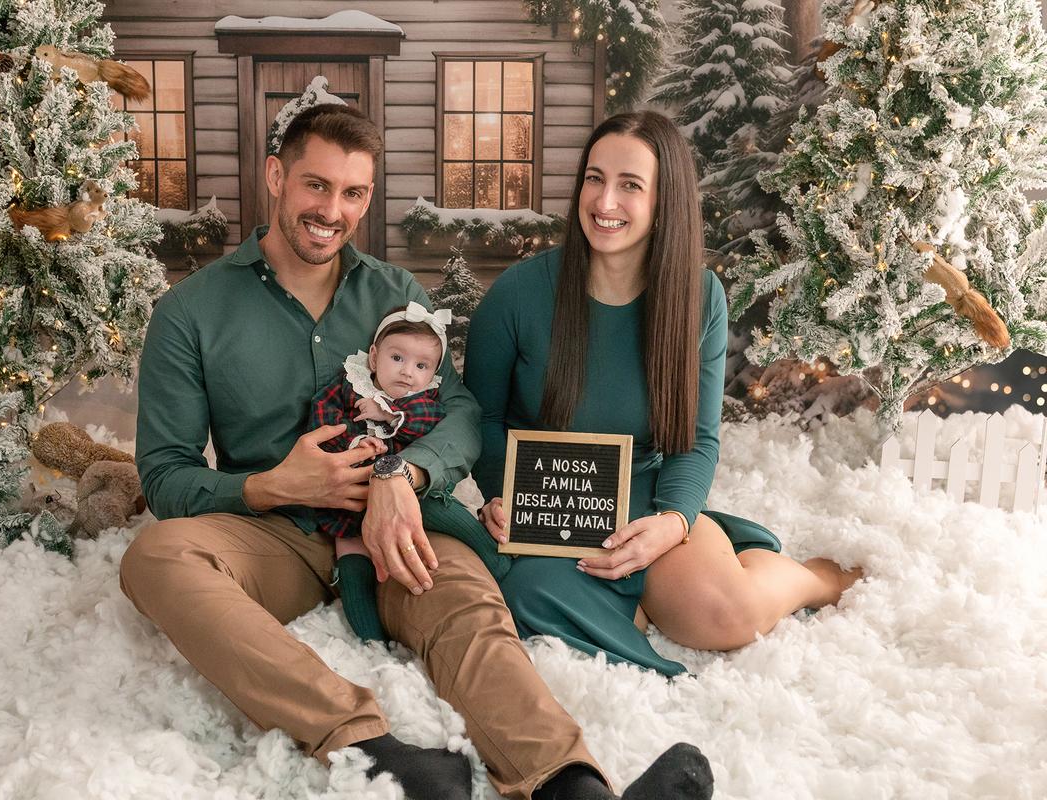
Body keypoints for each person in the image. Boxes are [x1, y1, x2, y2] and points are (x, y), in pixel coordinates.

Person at [122, 104, 714, 800]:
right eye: (316, 185)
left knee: (469, 612)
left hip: (401, 525)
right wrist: (271, 487)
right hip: (273, 533)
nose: (331, 210)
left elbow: (462, 412)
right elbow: (165, 476)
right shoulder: (190, 312)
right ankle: (374, 751)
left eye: (353, 193)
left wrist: (405, 473)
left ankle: (571, 786)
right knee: (154, 559)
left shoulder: (395, 293)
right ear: (276, 177)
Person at [465, 110, 863, 676]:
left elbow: (696, 440)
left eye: (630, 185)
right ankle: (644, 607)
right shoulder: (518, 295)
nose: (604, 203)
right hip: (548, 501)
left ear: (664, 200)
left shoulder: (699, 297)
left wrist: (674, 521)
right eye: (594, 178)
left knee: (725, 616)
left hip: (644, 492)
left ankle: (815, 578)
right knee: (526, 598)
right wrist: (502, 492)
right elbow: (479, 418)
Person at [309, 301, 509, 641]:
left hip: (410, 493)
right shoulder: (350, 384)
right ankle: (370, 640)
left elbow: (429, 418)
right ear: (374, 357)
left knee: (446, 514)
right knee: (355, 565)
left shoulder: (420, 399)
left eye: (421, 365)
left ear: (432, 374)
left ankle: (501, 563)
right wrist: (351, 447)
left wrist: (388, 414)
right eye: (397, 358)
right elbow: (322, 417)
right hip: (351, 501)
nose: (407, 372)